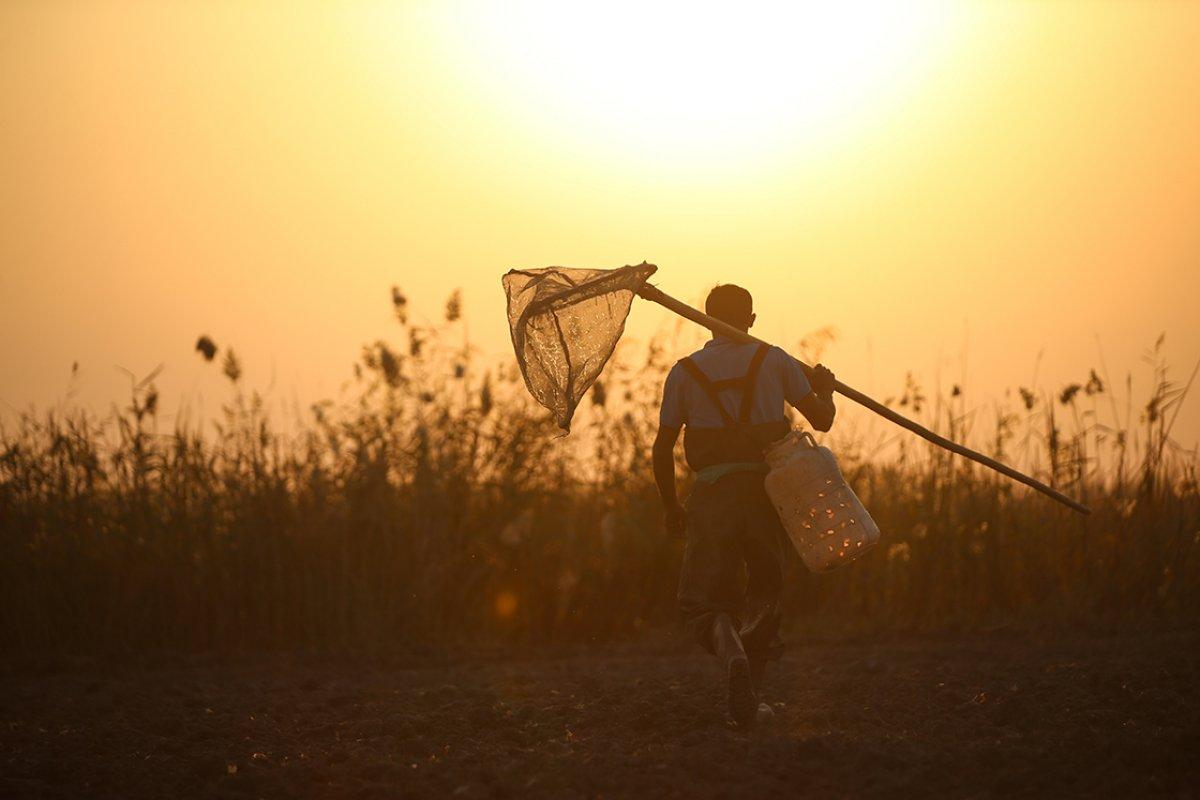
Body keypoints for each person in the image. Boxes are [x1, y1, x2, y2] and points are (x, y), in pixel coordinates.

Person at [652, 283, 837, 726]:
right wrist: (824, 387)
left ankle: (732, 656)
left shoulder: (684, 372)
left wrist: (670, 506)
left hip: (713, 495)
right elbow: (823, 420)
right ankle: (750, 698)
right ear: (750, 319)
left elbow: (662, 447)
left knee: (703, 603)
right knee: (765, 594)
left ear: (706, 317)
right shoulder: (774, 360)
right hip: (766, 495)